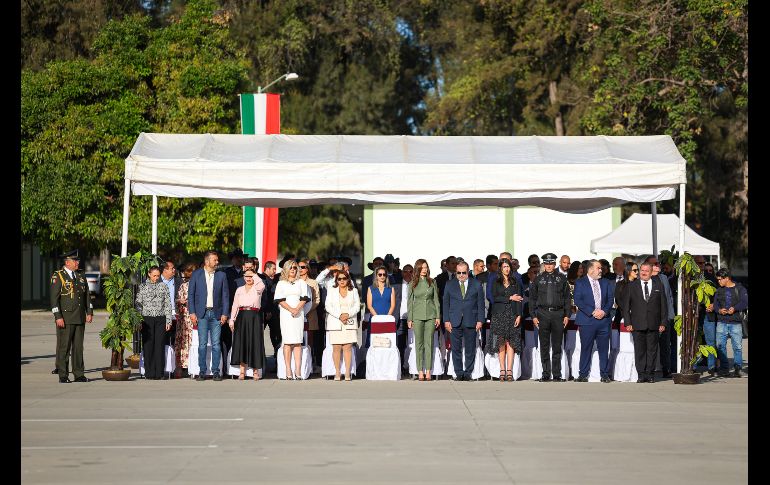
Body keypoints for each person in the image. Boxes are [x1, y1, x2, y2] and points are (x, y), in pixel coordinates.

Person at [50, 250, 93, 383]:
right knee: (64, 347)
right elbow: (54, 299)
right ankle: (63, 375)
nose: (77, 263)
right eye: (75, 261)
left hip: (79, 317)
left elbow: (87, 295)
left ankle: (79, 374)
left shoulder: (80, 275)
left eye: (77, 260)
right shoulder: (59, 276)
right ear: (67, 262)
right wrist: (58, 316)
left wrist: (89, 312)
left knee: (78, 347)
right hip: (66, 317)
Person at [621, 262, 667, 383]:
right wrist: (628, 323)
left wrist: (663, 322)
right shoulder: (632, 286)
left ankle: (650, 374)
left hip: (654, 323)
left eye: (647, 271)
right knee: (640, 351)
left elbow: (663, 305)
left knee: (652, 351)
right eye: (642, 270)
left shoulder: (658, 285)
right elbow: (626, 307)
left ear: (651, 272)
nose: (644, 273)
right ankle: (641, 374)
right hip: (637, 324)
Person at [188, 250, 230, 381]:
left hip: (216, 314)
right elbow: (191, 295)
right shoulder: (196, 274)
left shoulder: (221, 275)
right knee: (202, 344)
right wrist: (192, 312)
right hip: (202, 313)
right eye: (214, 260)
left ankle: (216, 371)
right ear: (207, 261)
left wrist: (225, 313)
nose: (217, 262)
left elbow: (225, 296)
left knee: (216, 344)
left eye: (217, 260)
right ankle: (202, 371)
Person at [529, 253, 571, 382]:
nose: (548, 266)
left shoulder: (562, 278)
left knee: (557, 346)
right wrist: (533, 316)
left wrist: (567, 315)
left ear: (554, 264)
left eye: (551, 263)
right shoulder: (538, 279)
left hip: (558, 314)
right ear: (544, 264)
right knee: (544, 346)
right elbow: (532, 299)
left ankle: (557, 374)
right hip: (543, 314)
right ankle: (546, 374)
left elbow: (567, 298)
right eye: (546, 263)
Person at [443, 261, 485, 381]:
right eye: (459, 273)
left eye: (464, 273)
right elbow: (446, 303)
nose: (461, 275)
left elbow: (480, 304)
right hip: (454, 320)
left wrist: (480, 320)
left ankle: (468, 373)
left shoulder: (476, 284)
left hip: (471, 320)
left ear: (468, 272)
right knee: (455, 349)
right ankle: (458, 373)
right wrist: (446, 320)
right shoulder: (449, 284)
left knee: (470, 349)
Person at [573, 260, 614, 383]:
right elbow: (578, 300)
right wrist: (592, 312)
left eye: (600, 268)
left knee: (604, 349)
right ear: (590, 269)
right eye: (598, 268)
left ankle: (604, 374)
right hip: (587, 321)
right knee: (586, 348)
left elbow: (610, 299)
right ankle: (583, 374)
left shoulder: (606, 282)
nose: (601, 270)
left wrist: (604, 312)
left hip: (603, 321)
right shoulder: (580, 282)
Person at [274, 260, 312, 380]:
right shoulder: (281, 283)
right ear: (286, 269)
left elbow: (305, 298)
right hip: (286, 314)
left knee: (297, 342)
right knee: (287, 342)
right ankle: (288, 369)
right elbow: (279, 299)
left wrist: (297, 309)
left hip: (298, 314)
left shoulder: (301, 282)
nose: (293, 269)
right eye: (290, 267)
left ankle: (298, 370)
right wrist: (291, 309)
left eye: (295, 267)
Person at [486, 259, 523, 381]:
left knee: (511, 343)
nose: (506, 269)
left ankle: (510, 370)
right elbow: (494, 298)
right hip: (499, 314)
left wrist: (519, 315)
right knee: (500, 342)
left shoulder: (515, 282)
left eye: (508, 266)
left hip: (512, 314)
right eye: (504, 267)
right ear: (500, 268)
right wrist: (509, 298)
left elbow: (519, 299)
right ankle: (502, 369)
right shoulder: (496, 281)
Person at [135, 266, 173, 380]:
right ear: (149, 274)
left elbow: (168, 304)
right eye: (154, 275)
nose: (156, 278)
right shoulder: (142, 287)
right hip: (147, 319)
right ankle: (149, 373)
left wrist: (168, 320)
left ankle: (159, 373)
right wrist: (139, 320)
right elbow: (138, 304)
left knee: (159, 345)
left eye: (158, 276)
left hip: (161, 319)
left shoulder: (163, 286)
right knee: (148, 346)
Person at [407, 259, 441, 381]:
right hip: (417, 315)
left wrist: (438, 316)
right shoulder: (412, 283)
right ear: (418, 269)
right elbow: (410, 302)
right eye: (422, 267)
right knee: (419, 344)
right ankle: (420, 371)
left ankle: (428, 371)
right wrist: (410, 318)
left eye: (426, 267)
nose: (424, 269)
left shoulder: (432, 282)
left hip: (431, 315)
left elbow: (436, 300)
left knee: (429, 343)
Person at [229, 269, 266, 380]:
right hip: (242, 316)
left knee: (255, 342)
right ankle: (242, 371)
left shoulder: (258, 288)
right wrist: (232, 319)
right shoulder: (239, 289)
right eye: (246, 276)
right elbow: (235, 305)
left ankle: (255, 371)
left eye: (251, 276)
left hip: (254, 316)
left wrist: (254, 275)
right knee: (242, 342)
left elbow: (262, 285)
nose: (248, 278)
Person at [325, 270, 360, 381]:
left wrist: (347, 314)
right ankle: (337, 372)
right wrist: (340, 315)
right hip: (335, 321)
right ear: (336, 280)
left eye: (344, 278)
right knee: (336, 348)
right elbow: (328, 306)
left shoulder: (354, 291)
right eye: (339, 279)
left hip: (349, 321)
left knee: (347, 347)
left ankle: (348, 372)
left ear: (348, 279)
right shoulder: (331, 291)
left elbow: (357, 306)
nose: (342, 281)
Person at [713, 268, 748, 378]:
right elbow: (715, 304)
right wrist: (719, 310)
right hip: (721, 322)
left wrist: (735, 308)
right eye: (718, 279)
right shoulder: (719, 290)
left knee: (737, 347)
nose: (719, 281)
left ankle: (738, 369)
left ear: (727, 278)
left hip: (735, 322)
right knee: (720, 346)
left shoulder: (740, 288)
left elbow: (745, 302)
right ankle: (724, 369)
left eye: (720, 279)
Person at [645, 256, 675, 378]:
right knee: (650, 346)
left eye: (658, 263)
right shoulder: (644, 279)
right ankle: (649, 371)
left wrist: (670, 315)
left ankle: (666, 369)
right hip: (651, 318)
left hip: (665, 318)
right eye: (655, 263)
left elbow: (669, 297)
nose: (658, 265)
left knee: (665, 345)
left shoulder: (664, 278)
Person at [174, 262, 198, 378]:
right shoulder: (183, 285)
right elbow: (178, 300)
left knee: (193, 341)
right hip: (184, 317)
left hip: (193, 316)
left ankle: (193, 365)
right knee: (183, 341)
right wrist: (180, 301)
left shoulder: (198, 284)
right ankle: (182, 365)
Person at [298, 259, 321, 368]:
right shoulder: (294, 282)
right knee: (298, 339)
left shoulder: (313, 282)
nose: (300, 269)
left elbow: (317, 299)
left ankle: (309, 364)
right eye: (298, 267)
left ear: (307, 269)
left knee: (309, 340)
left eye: (303, 267)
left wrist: (307, 310)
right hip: (296, 314)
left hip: (310, 314)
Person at [366, 265, 396, 347]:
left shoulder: (391, 289)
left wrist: (387, 318)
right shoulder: (370, 288)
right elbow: (369, 305)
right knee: (374, 343)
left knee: (387, 342)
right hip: (374, 318)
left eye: (384, 274)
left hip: (388, 319)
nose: (382, 276)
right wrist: (377, 318)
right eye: (380, 274)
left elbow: (393, 305)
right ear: (376, 276)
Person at [159, 260, 181, 354]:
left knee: (175, 339)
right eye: (172, 268)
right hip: (161, 315)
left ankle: (174, 359)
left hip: (176, 314)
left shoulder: (179, 281)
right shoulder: (156, 281)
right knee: (162, 339)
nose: (174, 270)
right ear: (165, 270)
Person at [394, 263, 414, 367]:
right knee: (400, 345)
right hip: (400, 319)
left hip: (414, 319)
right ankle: (401, 367)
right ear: (402, 273)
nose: (408, 273)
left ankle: (412, 368)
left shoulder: (417, 285)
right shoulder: (396, 285)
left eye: (411, 271)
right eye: (405, 271)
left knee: (413, 345)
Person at [261, 261, 281, 355]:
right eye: (273, 269)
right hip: (265, 312)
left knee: (276, 335)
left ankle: (277, 355)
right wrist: (267, 311)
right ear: (267, 269)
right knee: (260, 335)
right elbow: (265, 297)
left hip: (274, 312)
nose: (275, 271)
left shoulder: (274, 279)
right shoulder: (262, 279)